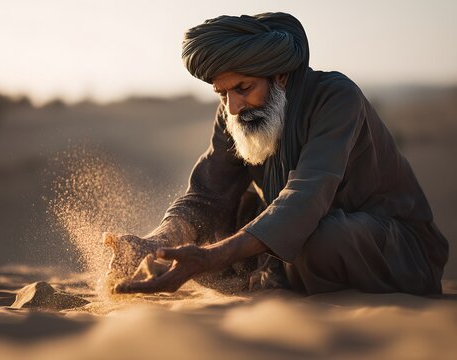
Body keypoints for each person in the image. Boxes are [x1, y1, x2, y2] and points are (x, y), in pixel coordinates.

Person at [103, 12, 448, 295]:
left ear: (280, 75)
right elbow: (206, 195)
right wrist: (156, 243)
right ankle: (269, 273)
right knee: (221, 222)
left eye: (243, 88)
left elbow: (305, 198)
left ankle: (275, 276)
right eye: (222, 93)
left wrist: (211, 258)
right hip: (298, 236)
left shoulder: (336, 98)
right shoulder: (233, 113)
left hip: (392, 247)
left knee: (318, 239)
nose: (233, 107)